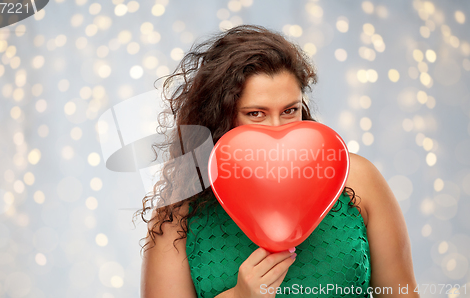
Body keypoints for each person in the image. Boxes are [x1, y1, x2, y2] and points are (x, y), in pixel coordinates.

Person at [138, 24, 419, 298]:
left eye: (289, 110)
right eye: (256, 114)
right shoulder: (177, 214)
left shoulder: (358, 179)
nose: (277, 129)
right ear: (218, 117)